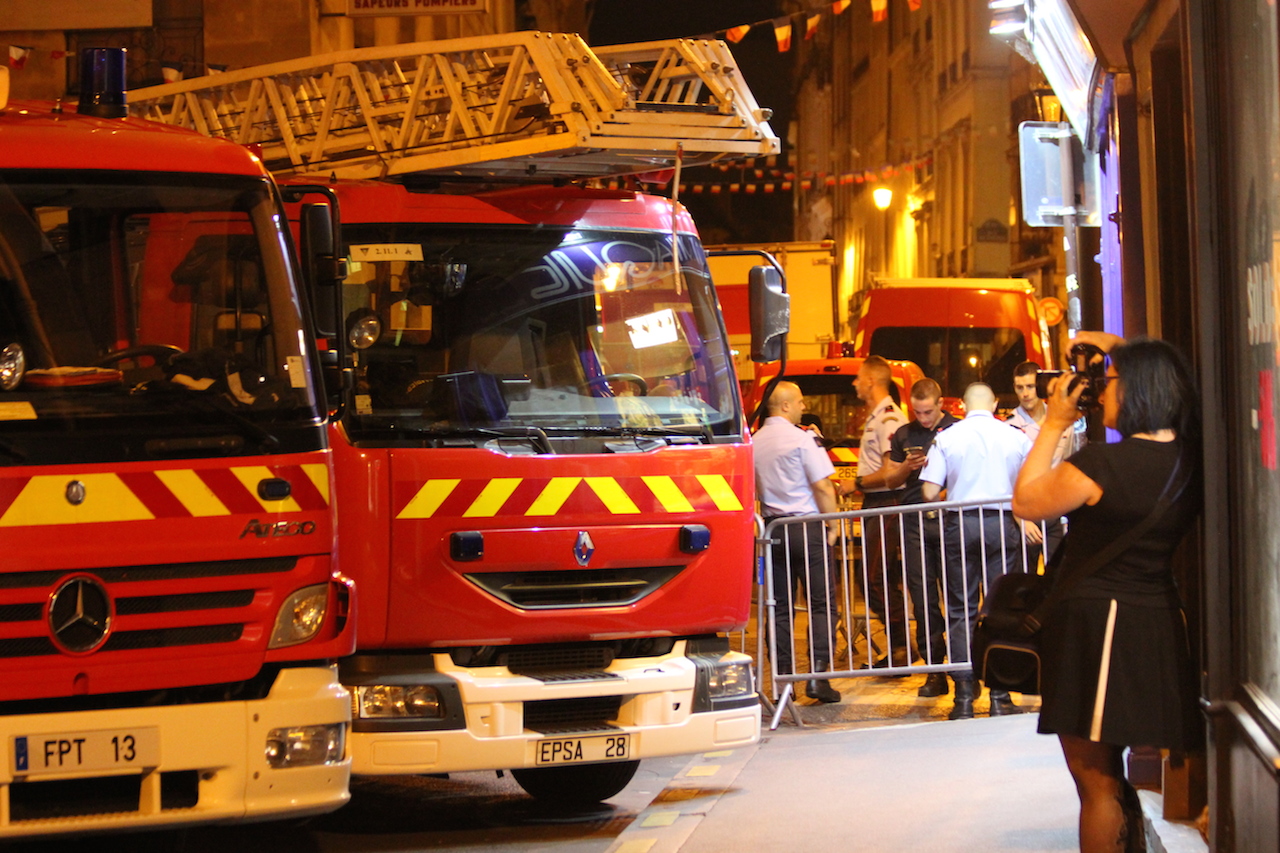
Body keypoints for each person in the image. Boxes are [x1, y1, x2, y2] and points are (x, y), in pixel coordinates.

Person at [1012, 333, 1201, 853]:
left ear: (1138, 389)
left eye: (1110, 382)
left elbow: (1027, 502)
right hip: (1155, 621)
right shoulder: (1191, 459)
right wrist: (1119, 348)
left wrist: (1053, 423)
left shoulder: (1102, 465)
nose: (1100, 392)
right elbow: (1175, 376)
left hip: (1099, 628)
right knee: (1112, 777)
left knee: (1095, 782)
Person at [920, 382, 1032, 719]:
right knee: (1001, 607)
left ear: (964, 406)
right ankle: (1000, 694)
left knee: (960, 608)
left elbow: (927, 491)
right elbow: (1030, 483)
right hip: (1002, 523)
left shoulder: (948, 436)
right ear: (996, 403)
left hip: (959, 525)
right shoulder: (1016, 437)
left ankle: (964, 697)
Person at [753, 381, 842, 704]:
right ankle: (818, 677)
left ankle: (783, 682)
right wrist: (832, 525)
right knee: (822, 603)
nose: (804, 407)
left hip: (773, 529)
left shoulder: (754, 442)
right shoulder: (802, 440)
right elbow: (823, 487)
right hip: (807, 527)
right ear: (786, 405)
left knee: (778, 608)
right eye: (801, 402)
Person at [883, 378, 959, 697]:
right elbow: (889, 479)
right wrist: (907, 468)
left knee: (957, 592)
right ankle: (934, 669)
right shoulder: (904, 434)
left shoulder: (957, 429)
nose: (924, 418)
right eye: (918, 412)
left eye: (928, 412)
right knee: (923, 596)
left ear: (940, 404)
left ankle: (963, 666)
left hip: (948, 516)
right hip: (914, 519)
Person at [846, 355, 912, 667]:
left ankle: (901, 648)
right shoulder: (878, 416)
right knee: (877, 577)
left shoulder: (888, 419)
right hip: (878, 504)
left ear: (872, 381)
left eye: (858, 378)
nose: (855, 383)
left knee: (875, 577)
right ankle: (899, 647)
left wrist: (855, 484)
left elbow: (891, 469)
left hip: (887, 503)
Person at [1007, 360, 1080, 563]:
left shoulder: (1061, 420)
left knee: (1056, 576)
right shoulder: (1009, 427)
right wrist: (1021, 520)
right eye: (1019, 388)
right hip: (1025, 513)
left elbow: (1069, 463)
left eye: (1030, 386)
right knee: (1024, 581)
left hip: (1056, 512)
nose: (1025, 393)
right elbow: (1007, 479)